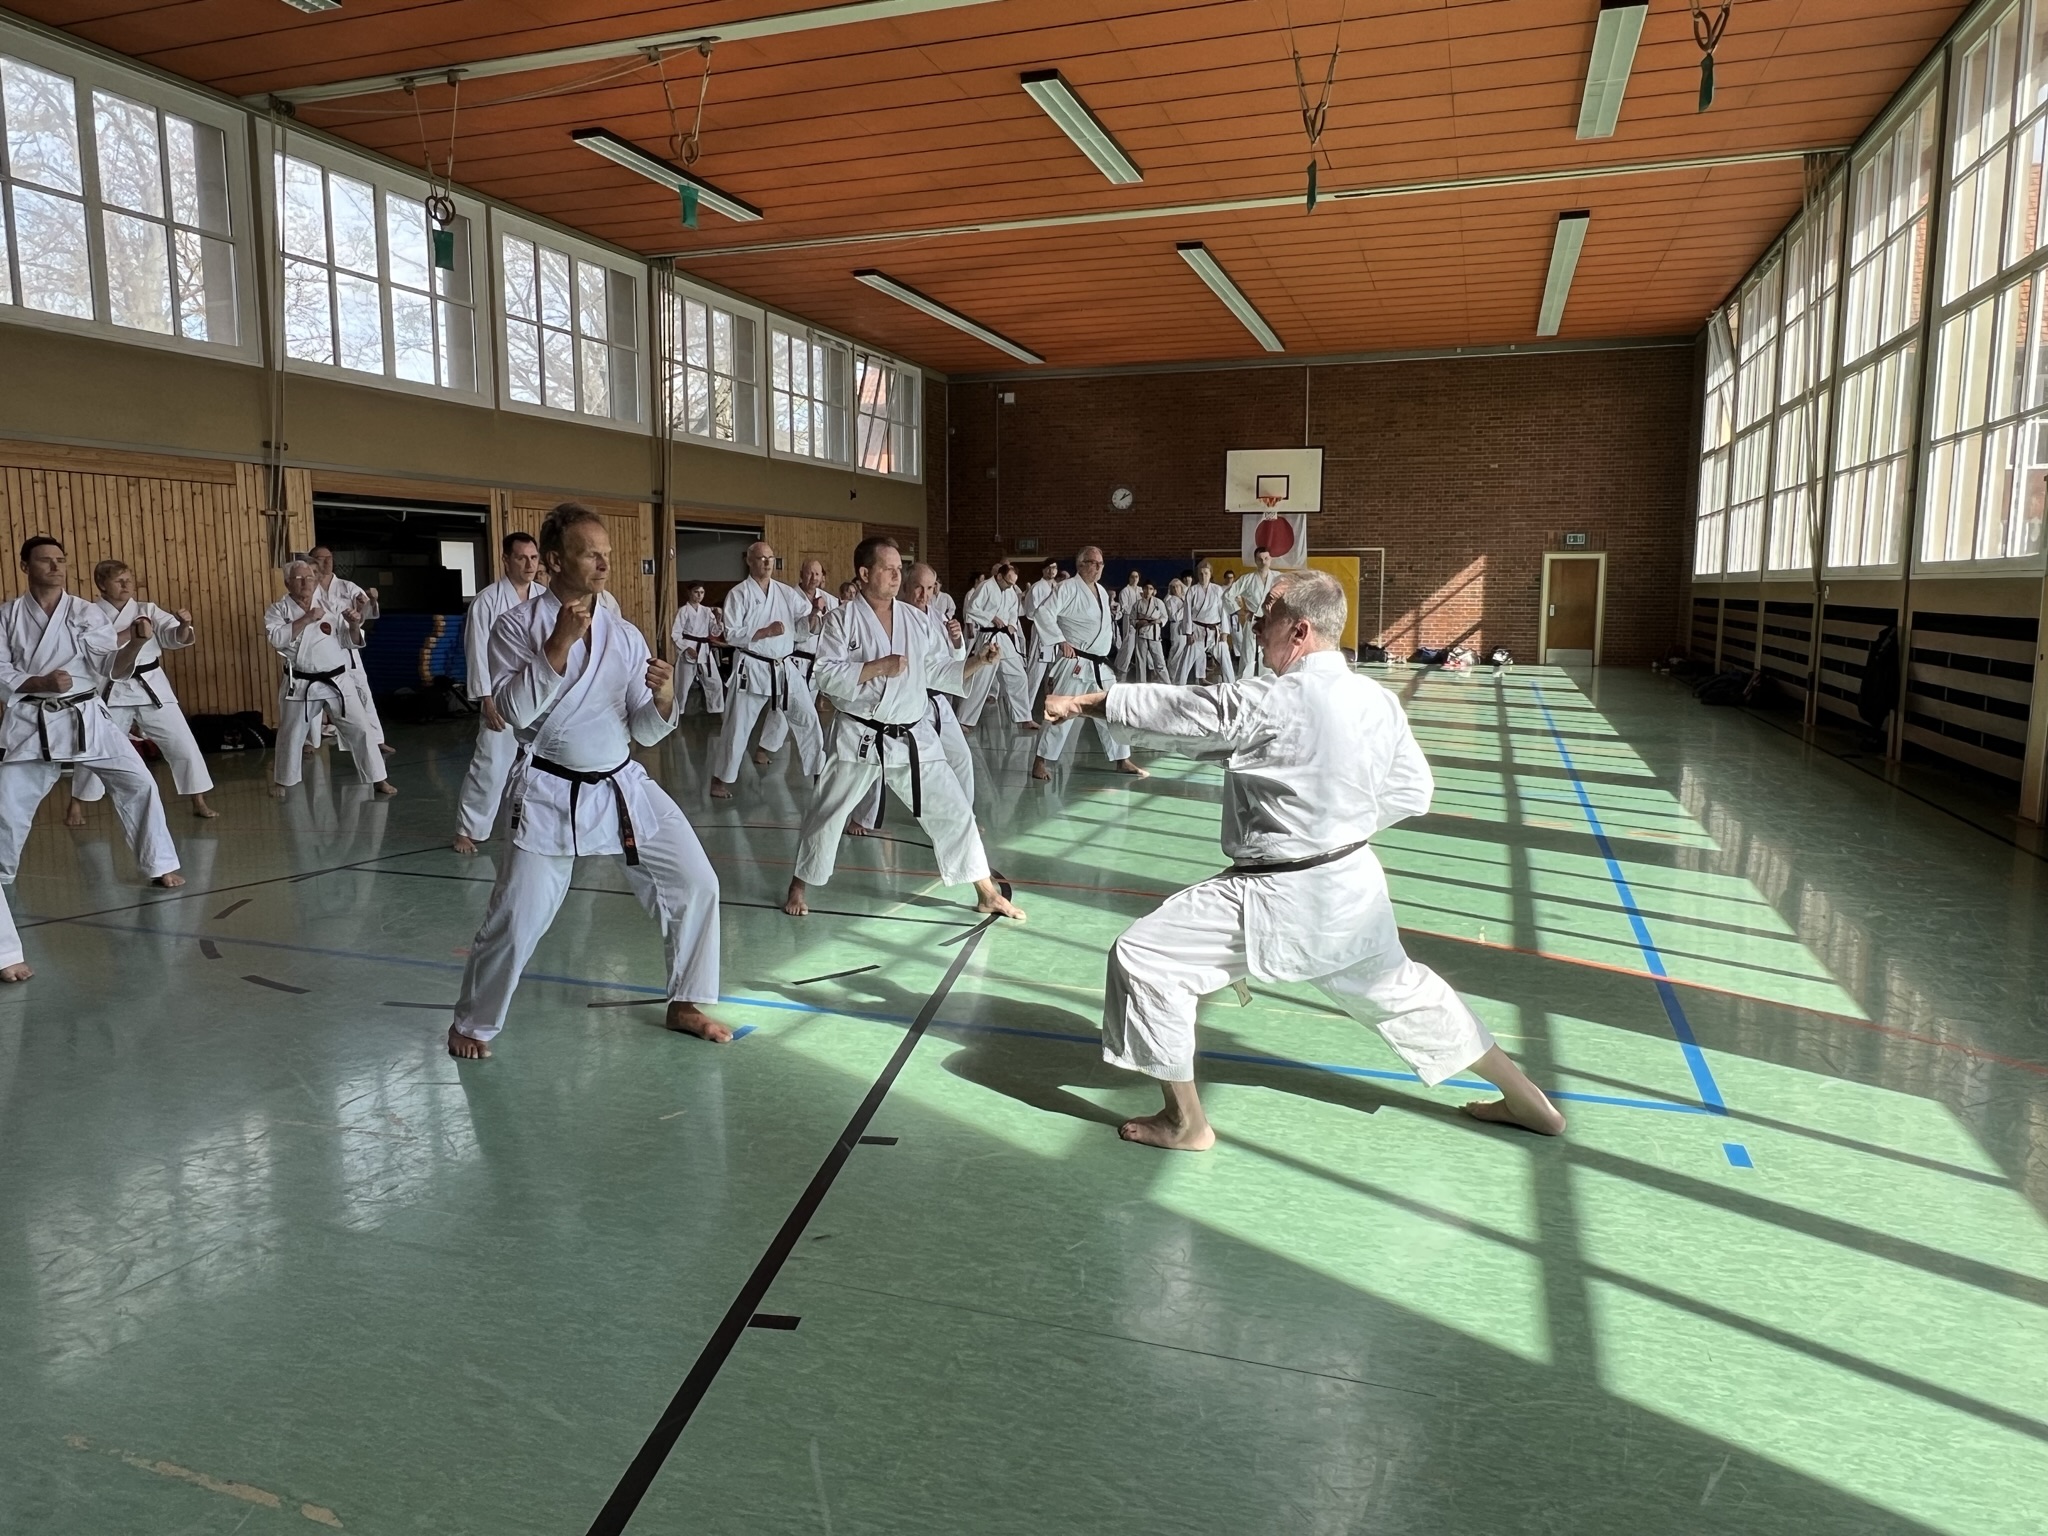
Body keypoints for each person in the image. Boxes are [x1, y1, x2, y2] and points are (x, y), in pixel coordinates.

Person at [1044, 568, 1564, 1150]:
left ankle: (1186, 1123)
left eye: (1265, 616)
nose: (1254, 626)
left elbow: (1183, 711)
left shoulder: (1275, 698)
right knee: (1405, 994)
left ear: (1299, 630)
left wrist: (1083, 701)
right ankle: (1528, 1101)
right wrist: (1336, 826)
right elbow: (1413, 791)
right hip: (1349, 885)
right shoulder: (1377, 699)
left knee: (1145, 957)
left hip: (1276, 892)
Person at [447, 503, 728, 1058]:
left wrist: (664, 699)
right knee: (517, 918)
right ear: (555, 561)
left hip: (622, 784)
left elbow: (641, 728)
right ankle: (473, 1023)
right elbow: (513, 713)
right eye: (590, 554)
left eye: (607, 554)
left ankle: (686, 1001)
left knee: (696, 881)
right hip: (549, 790)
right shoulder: (516, 627)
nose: (604, 564)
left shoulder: (623, 635)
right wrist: (558, 645)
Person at [783, 539, 1023, 923]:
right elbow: (825, 675)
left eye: (899, 569)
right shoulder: (842, 619)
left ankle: (985, 892)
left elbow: (937, 670)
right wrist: (878, 667)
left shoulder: (916, 619)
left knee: (954, 810)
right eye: (888, 569)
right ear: (864, 574)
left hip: (913, 735)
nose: (897, 575)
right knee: (827, 814)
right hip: (860, 736)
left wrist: (977, 662)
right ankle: (799, 884)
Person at [0, 537, 184, 888]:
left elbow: (109, 665)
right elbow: (0, 669)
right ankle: (1, 873)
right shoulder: (7, 616)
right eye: (45, 560)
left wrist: (136, 644)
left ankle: (159, 863)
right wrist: (40, 682)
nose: (55, 566)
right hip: (32, 719)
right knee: (7, 802)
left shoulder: (85, 612)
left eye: (60, 560)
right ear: (25, 566)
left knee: (139, 783)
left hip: (85, 714)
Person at [66, 558, 216, 822]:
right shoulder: (90, 614)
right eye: (119, 581)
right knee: (97, 746)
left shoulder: (148, 609)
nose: (126, 586)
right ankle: (76, 805)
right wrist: (131, 632)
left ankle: (198, 800)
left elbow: (174, 637)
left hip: (152, 686)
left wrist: (183, 625)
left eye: (129, 580)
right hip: (111, 688)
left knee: (182, 743)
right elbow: (92, 647)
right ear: (101, 584)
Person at [848, 560, 986, 835]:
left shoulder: (938, 617)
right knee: (879, 762)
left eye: (930, 588)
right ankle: (863, 818)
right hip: (904, 701)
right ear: (905, 587)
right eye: (918, 588)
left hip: (937, 700)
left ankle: (964, 817)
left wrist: (957, 642)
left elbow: (951, 662)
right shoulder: (892, 617)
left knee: (960, 756)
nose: (925, 595)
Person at [266, 560, 396, 798]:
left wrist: (354, 625)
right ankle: (282, 781)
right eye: (299, 579)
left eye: (309, 578)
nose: (306, 583)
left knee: (361, 729)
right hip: (301, 682)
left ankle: (379, 778)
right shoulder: (278, 610)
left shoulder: (332, 605)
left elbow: (349, 641)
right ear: (287, 583)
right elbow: (276, 639)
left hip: (337, 679)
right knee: (291, 734)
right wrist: (307, 619)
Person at [452, 531, 543, 854]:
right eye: (521, 558)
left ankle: (539, 825)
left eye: (534, 558)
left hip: (540, 691)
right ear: (506, 560)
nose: (529, 564)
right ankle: (468, 830)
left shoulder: (545, 597)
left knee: (546, 762)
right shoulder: (487, 600)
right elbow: (476, 651)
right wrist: (486, 699)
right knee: (491, 762)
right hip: (502, 694)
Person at [709, 541, 822, 799]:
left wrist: (814, 613)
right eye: (761, 558)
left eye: (771, 558)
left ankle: (818, 770)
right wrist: (765, 632)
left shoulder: (785, 592)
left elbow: (804, 625)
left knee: (808, 718)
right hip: (752, 667)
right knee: (737, 727)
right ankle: (720, 779)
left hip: (784, 667)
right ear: (749, 561)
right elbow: (731, 634)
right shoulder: (739, 594)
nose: (767, 562)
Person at [1030, 546, 1147, 783]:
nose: (1099, 567)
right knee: (1061, 712)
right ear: (1081, 564)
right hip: (1076, 662)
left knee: (1112, 710)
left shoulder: (1101, 591)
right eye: (1094, 563)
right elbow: (1043, 613)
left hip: (1099, 665)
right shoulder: (1067, 588)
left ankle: (1121, 759)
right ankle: (1040, 761)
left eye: (1101, 563)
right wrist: (1059, 640)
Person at [309, 545, 391, 758]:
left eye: (329, 557)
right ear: (312, 561)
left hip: (346, 645)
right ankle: (309, 742)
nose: (327, 561)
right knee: (312, 696)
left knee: (362, 692)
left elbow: (365, 615)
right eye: (321, 558)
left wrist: (370, 601)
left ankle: (377, 739)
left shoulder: (347, 586)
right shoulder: (308, 587)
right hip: (318, 648)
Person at [758, 557, 837, 762]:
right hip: (794, 661)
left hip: (815, 664)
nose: (813, 578)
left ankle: (813, 756)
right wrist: (814, 612)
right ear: (801, 574)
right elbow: (795, 632)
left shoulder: (828, 599)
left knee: (808, 712)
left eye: (817, 574)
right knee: (783, 708)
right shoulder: (788, 597)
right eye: (810, 573)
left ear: (822, 577)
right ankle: (763, 749)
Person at [957, 560, 1034, 731]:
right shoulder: (985, 586)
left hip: (1004, 638)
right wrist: (992, 617)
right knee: (981, 680)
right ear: (999, 576)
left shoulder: (1010, 591)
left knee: (1019, 676)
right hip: (988, 637)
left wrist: (1012, 625)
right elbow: (971, 609)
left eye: (1013, 583)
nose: (1010, 586)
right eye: (1008, 582)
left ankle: (1024, 718)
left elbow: (1013, 612)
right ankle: (963, 720)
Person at [669, 581, 727, 716]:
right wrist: (686, 648)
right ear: (689, 593)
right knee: (682, 685)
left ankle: (716, 709)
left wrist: (719, 620)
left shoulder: (707, 611)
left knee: (715, 682)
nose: (699, 595)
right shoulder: (683, 611)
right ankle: (678, 711)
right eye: (696, 592)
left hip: (704, 650)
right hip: (689, 648)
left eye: (702, 592)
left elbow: (714, 632)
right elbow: (675, 633)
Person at [1228, 548, 1279, 678]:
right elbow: (1228, 595)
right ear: (1255, 561)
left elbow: (1288, 596)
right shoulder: (1247, 579)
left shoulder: (1278, 578)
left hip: (1271, 622)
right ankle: (1245, 682)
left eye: (1266, 558)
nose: (1263, 562)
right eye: (1260, 559)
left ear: (1270, 559)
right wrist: (1239, 610)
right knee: (1248, 655)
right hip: (1253, 620)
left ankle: (1268, 681)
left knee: (1270, 653)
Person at [1182, 560, 1235, 684]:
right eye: (1201, 574)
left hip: (1215, 631)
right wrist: (1188, 633)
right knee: (1186, 661)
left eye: (1206, 573)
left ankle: (1231, 684)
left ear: (1210, 574)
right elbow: (1187, 613)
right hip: (1197, 631)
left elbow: (1223, 610)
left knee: (1225, 658)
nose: (1203, 576)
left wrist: (1225, 632)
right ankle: (1179, 685)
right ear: (1197, 575)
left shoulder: (1217, 589)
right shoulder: (1192, 590)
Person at [1022, 559, 1062, 701]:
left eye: (1054, 568)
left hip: (1057, 632)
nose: (1051, 571)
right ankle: (1026, 706)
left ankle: (1051, 703)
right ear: (1043, 570)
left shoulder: (1058, 587)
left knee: (1055, 672)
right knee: (1036, 670)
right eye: (1048, 568)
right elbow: (1031, 612)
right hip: (1041, 631)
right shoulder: (1037, 587)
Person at [1130, 582, 1169, 683]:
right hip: (1141, 634)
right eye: (1146, 588)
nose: (1148, 591)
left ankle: (1167, 683)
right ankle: (1141, 684)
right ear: (1142, 590)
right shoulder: (1137, 604)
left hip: (1154, 634)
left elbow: (1165, 617)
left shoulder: (1159, 603)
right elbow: (1132, 619)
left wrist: (1158, 621)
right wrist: (1139, 622)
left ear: (1154, 591)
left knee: (1159, 661)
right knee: (1140, 661)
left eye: (1151, 589)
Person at [1112, 569, 1146, 678]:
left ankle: (1120, 664)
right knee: (1128, 643)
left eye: (1136, 576)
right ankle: (1122, 667)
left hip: (1140, 619)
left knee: (1140, 644)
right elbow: (1124, 607)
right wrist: (1136, 610)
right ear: (1129, 578)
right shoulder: (1125, 591)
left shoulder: (1141, 590)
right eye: (1132, 576)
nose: (1134, 578)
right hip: (1129, 618)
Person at [1163, 575, 1191, 684]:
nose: (1175, 589)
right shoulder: (1170, 600)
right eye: (1173, 587)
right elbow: (1174, 616)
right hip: (1176, 627)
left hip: (1185, 627)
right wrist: (1185, 607)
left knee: (1183, 653)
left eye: (1177, 586)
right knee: (1176, 652)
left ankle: (1181, 677)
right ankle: (1172, 676)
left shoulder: (1183, 598)